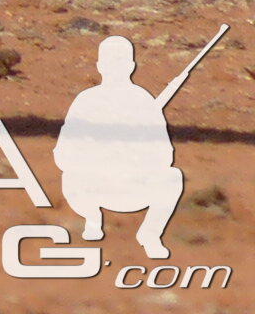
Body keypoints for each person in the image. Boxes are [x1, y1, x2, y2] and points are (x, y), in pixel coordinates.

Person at [54, 33, 194, 258]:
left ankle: (150, 234)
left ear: (131, 66)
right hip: (93, 187)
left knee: (172, 176)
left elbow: (165, 156)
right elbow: (62, 155)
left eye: (120, 61)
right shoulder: (86, 101)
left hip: (134, 186)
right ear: (100, 66)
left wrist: (135, 156)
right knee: (70, 177)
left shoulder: (143, 101)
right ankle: (92, 219)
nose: (115, 67)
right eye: (111, 61)